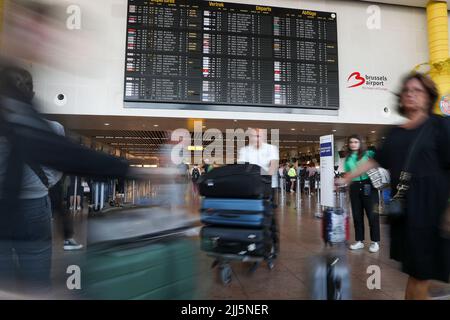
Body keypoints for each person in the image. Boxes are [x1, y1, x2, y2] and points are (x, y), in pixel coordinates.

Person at [336, 72, 450, 300]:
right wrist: (348, 176)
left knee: (420, 273)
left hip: (432, 210)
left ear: (429, 97)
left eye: (417, 90)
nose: (410, 94)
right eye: (407, 90)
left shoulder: (440, 126)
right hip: (405, 211)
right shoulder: (395, 133)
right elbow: (373, 159)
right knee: (416, 272)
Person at [238, 128, 280, 256]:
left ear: (264, 137)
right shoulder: (244, 150)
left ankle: (272, 244)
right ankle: (250, 241)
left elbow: (273, 166)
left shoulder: (271, 149)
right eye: (254, 136)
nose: (257, 138)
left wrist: (259, 176)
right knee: (249, 214)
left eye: (260, 136)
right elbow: (241, 168)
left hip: (268, 187)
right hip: (249, 187)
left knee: (269, 216)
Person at [343, 134, 380, 253]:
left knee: (372, 214)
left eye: (356, 142)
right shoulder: (347, 158)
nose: (353, 144)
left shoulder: (368, 154)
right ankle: (359, 240)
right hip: (354, 186)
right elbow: (348, 174)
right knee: (357, 215)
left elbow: (379, 162)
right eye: (351, 142)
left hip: (368, 185)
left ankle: (375, 242)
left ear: (360, 143)